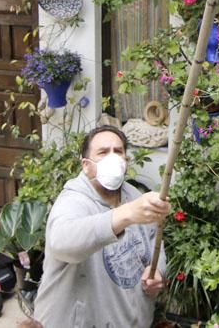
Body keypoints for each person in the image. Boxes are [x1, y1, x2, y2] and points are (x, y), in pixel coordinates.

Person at [31, 125, 170, 327]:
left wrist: (157, 270)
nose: (112, 158)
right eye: (103, 152)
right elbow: (62, 242)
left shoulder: (134, 196)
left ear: (126, 161)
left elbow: (153, 240)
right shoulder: (72, 201)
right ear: (86, 165)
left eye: (118, 151)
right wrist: (126, 215)